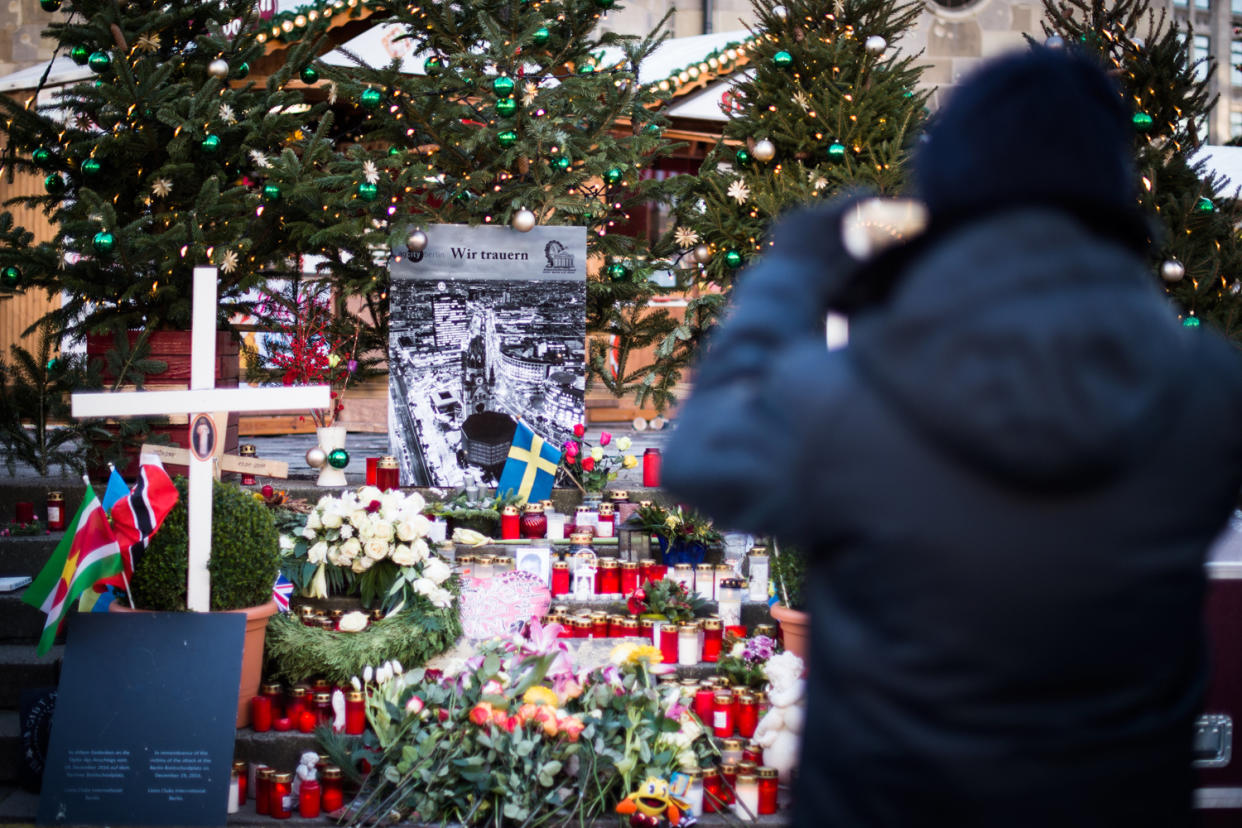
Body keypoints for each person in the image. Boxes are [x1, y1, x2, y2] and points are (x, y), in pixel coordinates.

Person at [662, 47, 1242, 827]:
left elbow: (701, 456)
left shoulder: (852, 396)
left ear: (947, 193)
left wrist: (793, 272)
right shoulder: (1207, 392)